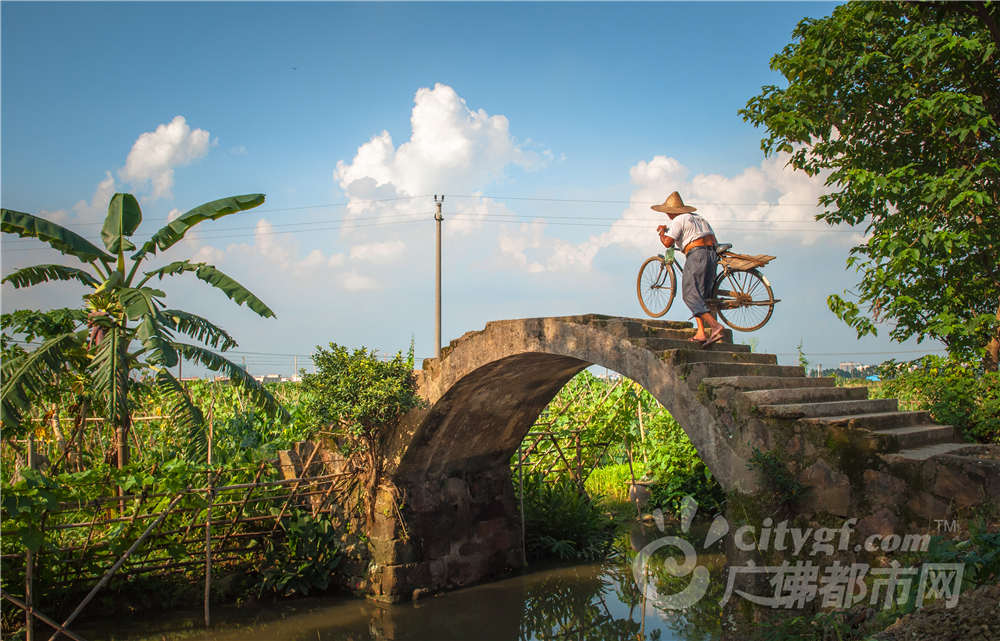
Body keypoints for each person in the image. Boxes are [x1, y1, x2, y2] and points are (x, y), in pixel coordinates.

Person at [652, 191, 726, 346]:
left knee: (689, 295)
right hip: (712, 254)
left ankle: (715, 326)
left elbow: (667, 243)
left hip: (697, 255)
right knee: (700, 296)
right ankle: (701, 333)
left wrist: (661, 233)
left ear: (670, 212)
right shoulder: (699, 218)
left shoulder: (678, 220)